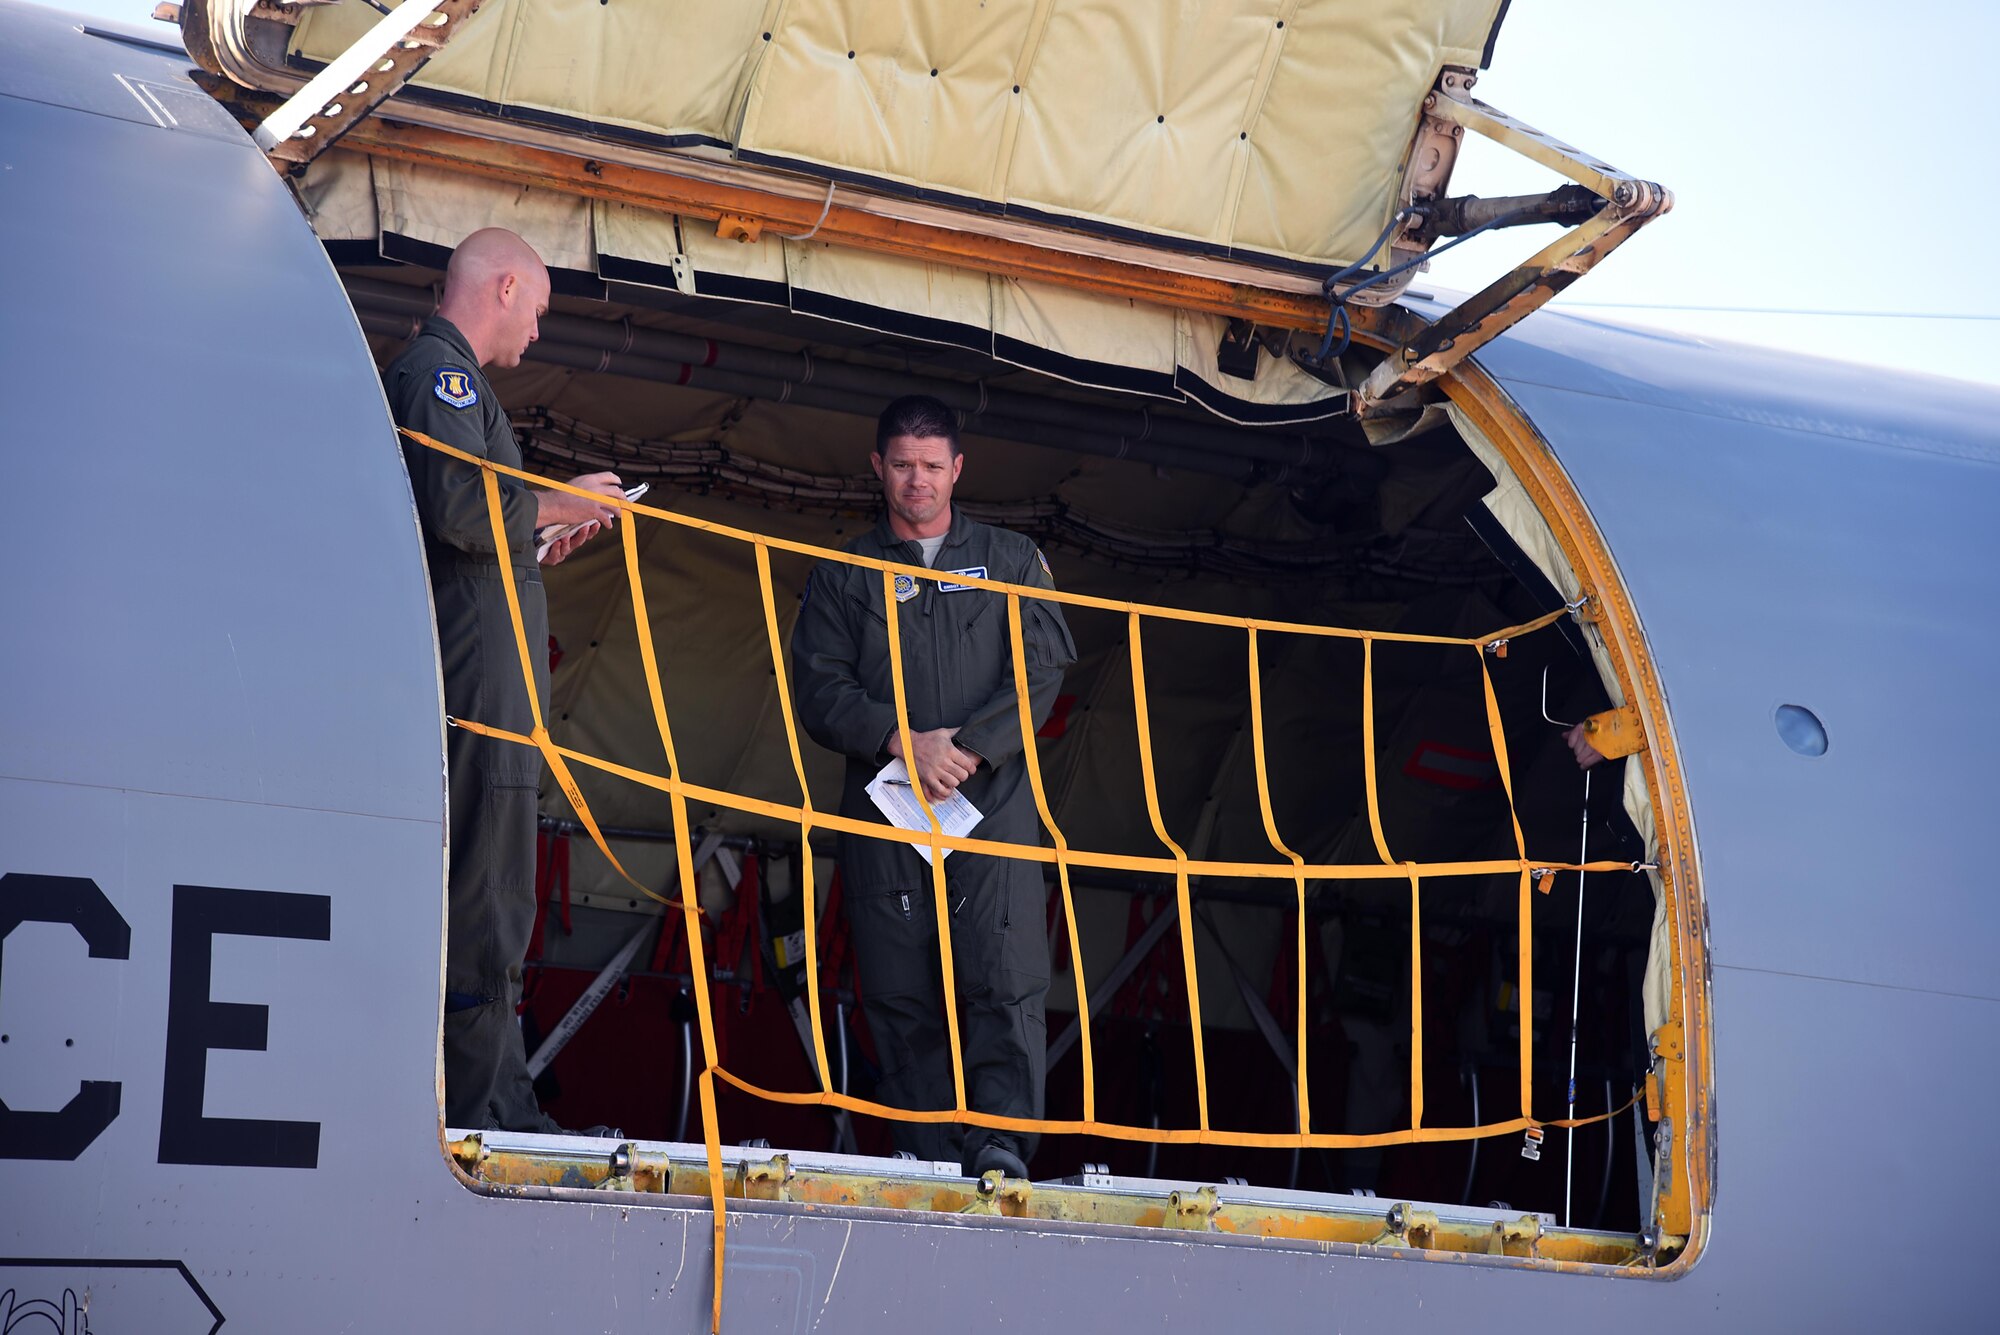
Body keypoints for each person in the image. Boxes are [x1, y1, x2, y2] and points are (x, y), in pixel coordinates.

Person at [791, 395, 1077, 1178]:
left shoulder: (1013, 560)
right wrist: (902, 741)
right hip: (887, 808)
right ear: (878, 467)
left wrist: (971, 750)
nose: (918, 482)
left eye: (932, 466)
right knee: (897, 978)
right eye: (903, 465)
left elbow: (1042, 671)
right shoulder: (847, 572)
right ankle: (924, 1151)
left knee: (1003, 970)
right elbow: (817, 687)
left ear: (958, 469)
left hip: (990, 807)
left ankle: (999, 1146)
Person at [383, 228, 626, 1132]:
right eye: (541, 309)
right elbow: (453, 505)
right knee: (484, 893)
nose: (538, 331)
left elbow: (474, 526)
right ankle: (483, 1102)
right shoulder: (440, 377)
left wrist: (536, 536)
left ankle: (497, 1091)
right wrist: (557, 502)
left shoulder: (458, 383)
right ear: (508, 284)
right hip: (478, 687)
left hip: (495, 683)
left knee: (496, 888)